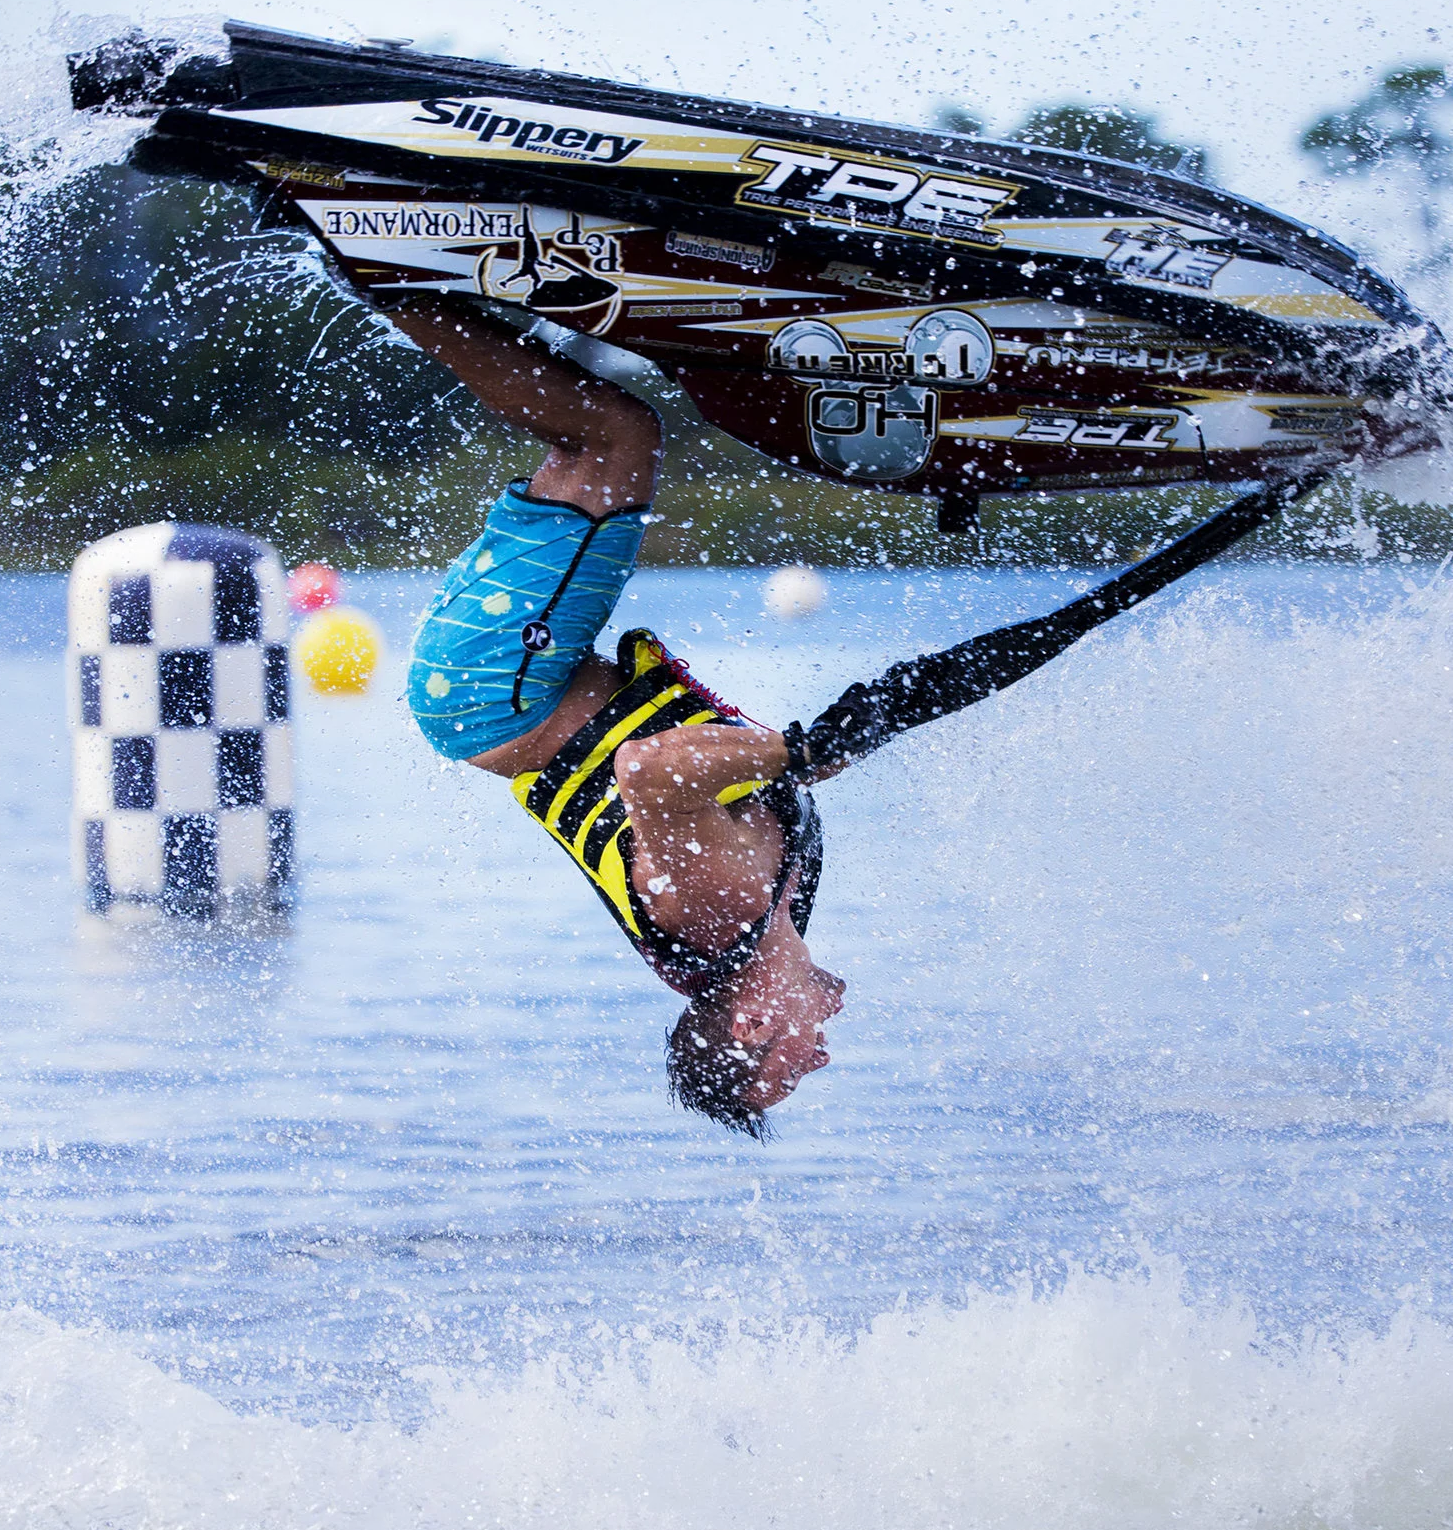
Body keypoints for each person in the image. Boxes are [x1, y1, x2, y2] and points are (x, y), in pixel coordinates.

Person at [386, 292, 1312, 1134]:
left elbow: (647, 772)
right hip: (514, 690)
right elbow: (758, 775)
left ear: (750, 1020)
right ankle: (424, 285)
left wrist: (789, 750)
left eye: (794, 1063)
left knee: (612, 438)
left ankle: (393, 281)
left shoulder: (709, 918)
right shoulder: (776, 910)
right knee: (606, 439)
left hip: (491, 687)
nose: (822, 1055)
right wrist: (827, 746)